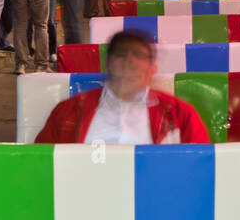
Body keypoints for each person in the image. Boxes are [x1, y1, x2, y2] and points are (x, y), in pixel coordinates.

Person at [33, 30, 210, 143]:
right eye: (121, 53)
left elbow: (201, 169)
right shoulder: (67, 113)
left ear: (152, 69)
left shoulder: (180, 116)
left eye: (139, 55)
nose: (129, 61)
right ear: (108, 64)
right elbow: (42, 165)